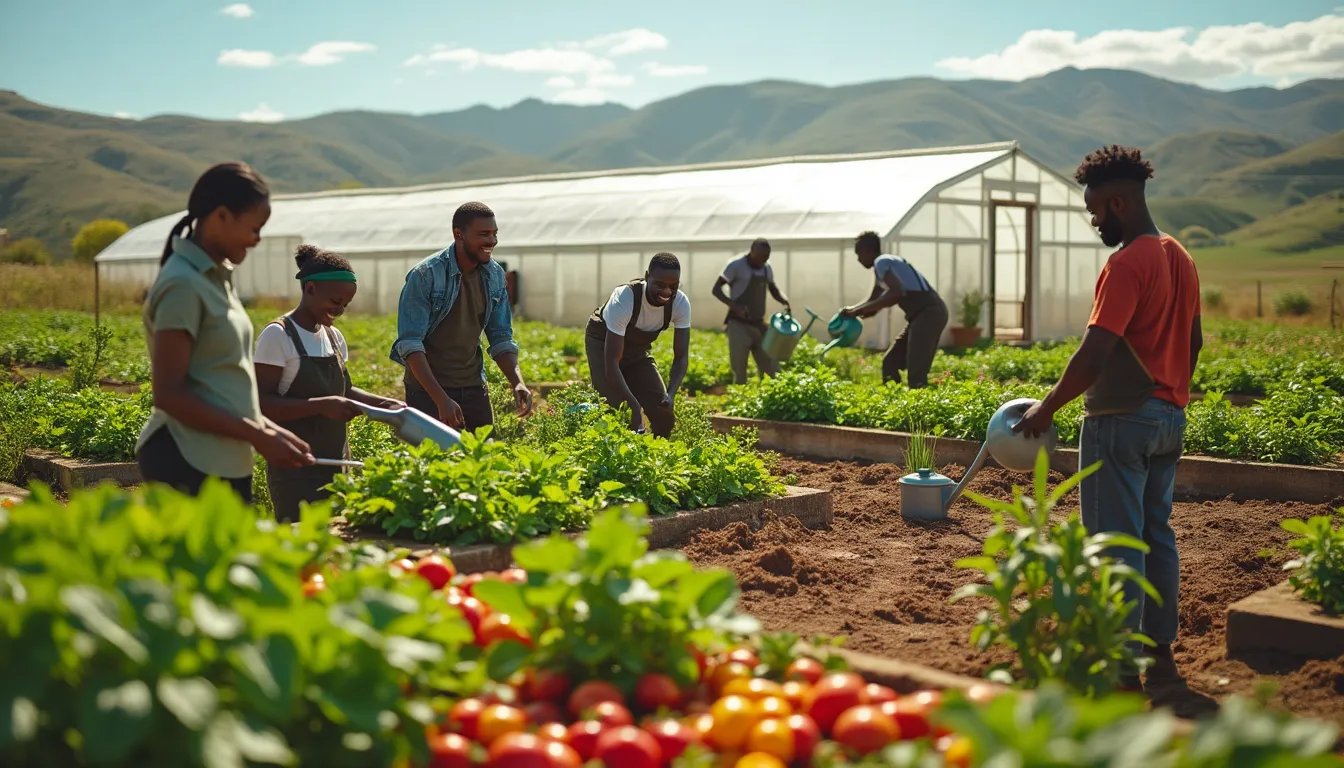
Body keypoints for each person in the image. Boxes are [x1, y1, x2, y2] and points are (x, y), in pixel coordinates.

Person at [1014, 145, 1202, 687]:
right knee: (1154, 534)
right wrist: (1170, 392)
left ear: (1118, 202)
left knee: (1115, 542)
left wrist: (1045, 408)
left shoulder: (1125, 263)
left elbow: (1095, 353)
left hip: (1121, 420)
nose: (1093, 219)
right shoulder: (1180, 257)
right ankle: (1157, 649)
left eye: (1096, 210)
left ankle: (1118, 663)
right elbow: (1195, 341)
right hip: (1169, 417)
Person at [135, 162, 312, 501]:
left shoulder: (213, 279)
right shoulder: (183, 285)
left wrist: (268, 429)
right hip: (187, 458)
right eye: (254, 228)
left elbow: (221, 381)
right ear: (220, 216)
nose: (258, 240)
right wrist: (258, 435)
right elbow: (169, 394)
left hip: (222, 459)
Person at [254, 244, 405, 522]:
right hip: (295, 468)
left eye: (345, 305)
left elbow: (344, 391)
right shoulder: (278, 336)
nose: (340, 310)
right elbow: (261, 404)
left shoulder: (333, 337)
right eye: (335, 301)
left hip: (337, 464)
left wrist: (384, 405)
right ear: (310, 288)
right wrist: (321, 406)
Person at [391, 202, 532, 432]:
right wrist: (441, 399)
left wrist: (517, 382)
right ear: (459, 234)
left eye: (495, 234)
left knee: (483, 458)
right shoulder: (426, 275)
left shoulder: (494, 275)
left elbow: (501, 337)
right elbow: (410, 345)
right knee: (434, 461)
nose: (492, 241)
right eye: (484, 234)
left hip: (473, 386)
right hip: (428, 390)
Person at [586, 253, 691, 437]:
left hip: (636, 351)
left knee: (663, 414)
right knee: (617, 410)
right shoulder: (625, 298)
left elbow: (681, 357)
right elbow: (612, 362)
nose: (667, 292)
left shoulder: (680, 303)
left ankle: (658, 457)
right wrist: (634, 406)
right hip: (603, 344)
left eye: (673, 286)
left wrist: (671, 394)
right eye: (660, 284)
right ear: (647, 276)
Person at [839, 232, 948, 388]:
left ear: (869, 251)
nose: (858, 259)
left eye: (859, 254)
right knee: (890, 362)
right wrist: (852, 311)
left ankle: (919, 405)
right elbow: (873, 304)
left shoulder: (881, 262)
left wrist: (856, 312)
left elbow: (896, 293)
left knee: (916, 371)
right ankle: (892, 401)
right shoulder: (883, 267)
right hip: (921, 316)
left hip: (929, 313)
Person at [712, 238, 791, 384]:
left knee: (771, 367)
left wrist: (784, 300)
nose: (762, 261)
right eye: (760, 257)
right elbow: (716, 289)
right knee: (740, 369)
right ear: (752, 252)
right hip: (738, 325)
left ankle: (771, 399)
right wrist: (734, 306)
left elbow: (773, 289)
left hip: (759, 324)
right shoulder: (736, 265)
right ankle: (741, 397)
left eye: (765, 258)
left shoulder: (767, 268)